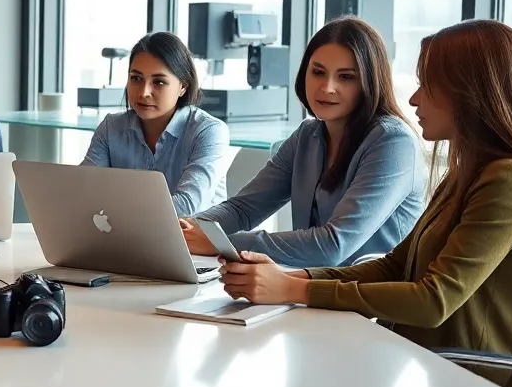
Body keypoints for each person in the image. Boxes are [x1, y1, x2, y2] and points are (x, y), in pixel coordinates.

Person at [219, 20, 512, 387]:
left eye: (428, 85)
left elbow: (433, 300)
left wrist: (294, 288)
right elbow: (396, 266)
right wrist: (296, 279)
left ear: (472, 93)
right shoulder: (467, 175)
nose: (414, 99)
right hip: (430, 369)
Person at [182, 17, 425, 267]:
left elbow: (333, 245)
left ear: (369, 82)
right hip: (311, 289)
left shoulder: (393, 142)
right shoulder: (307, 136)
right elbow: (243, 209)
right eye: (318, 72)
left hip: (371, 299)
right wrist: (185, 229)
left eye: (346, 77)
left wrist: (222, 243)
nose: (327, 87)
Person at [80, 32, 229, 217]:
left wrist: (118, 213)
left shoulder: (208, 131)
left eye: (159, 82)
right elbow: (83, 191)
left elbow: (188, 206)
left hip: (198, 243)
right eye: (136, 78)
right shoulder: (111, 128)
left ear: (183, 86)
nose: (144, 92)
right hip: (129, 239)